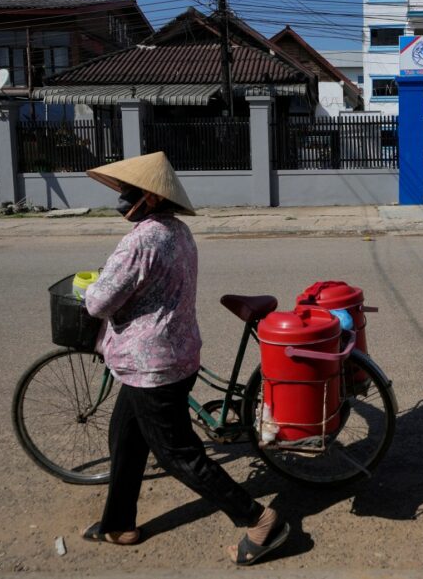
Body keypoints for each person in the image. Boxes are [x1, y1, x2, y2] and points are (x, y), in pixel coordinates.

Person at [80, 151, 289, 566]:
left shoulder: (142, 239)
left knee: (180, 456)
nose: (122, 199)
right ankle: (118, 523)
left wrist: (88, 289)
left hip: (153, 365)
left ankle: (262, 521)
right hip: (171, 353)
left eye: (129, 192)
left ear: (152, 198)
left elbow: (99, 302)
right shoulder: (178, 231)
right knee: (125, 438)